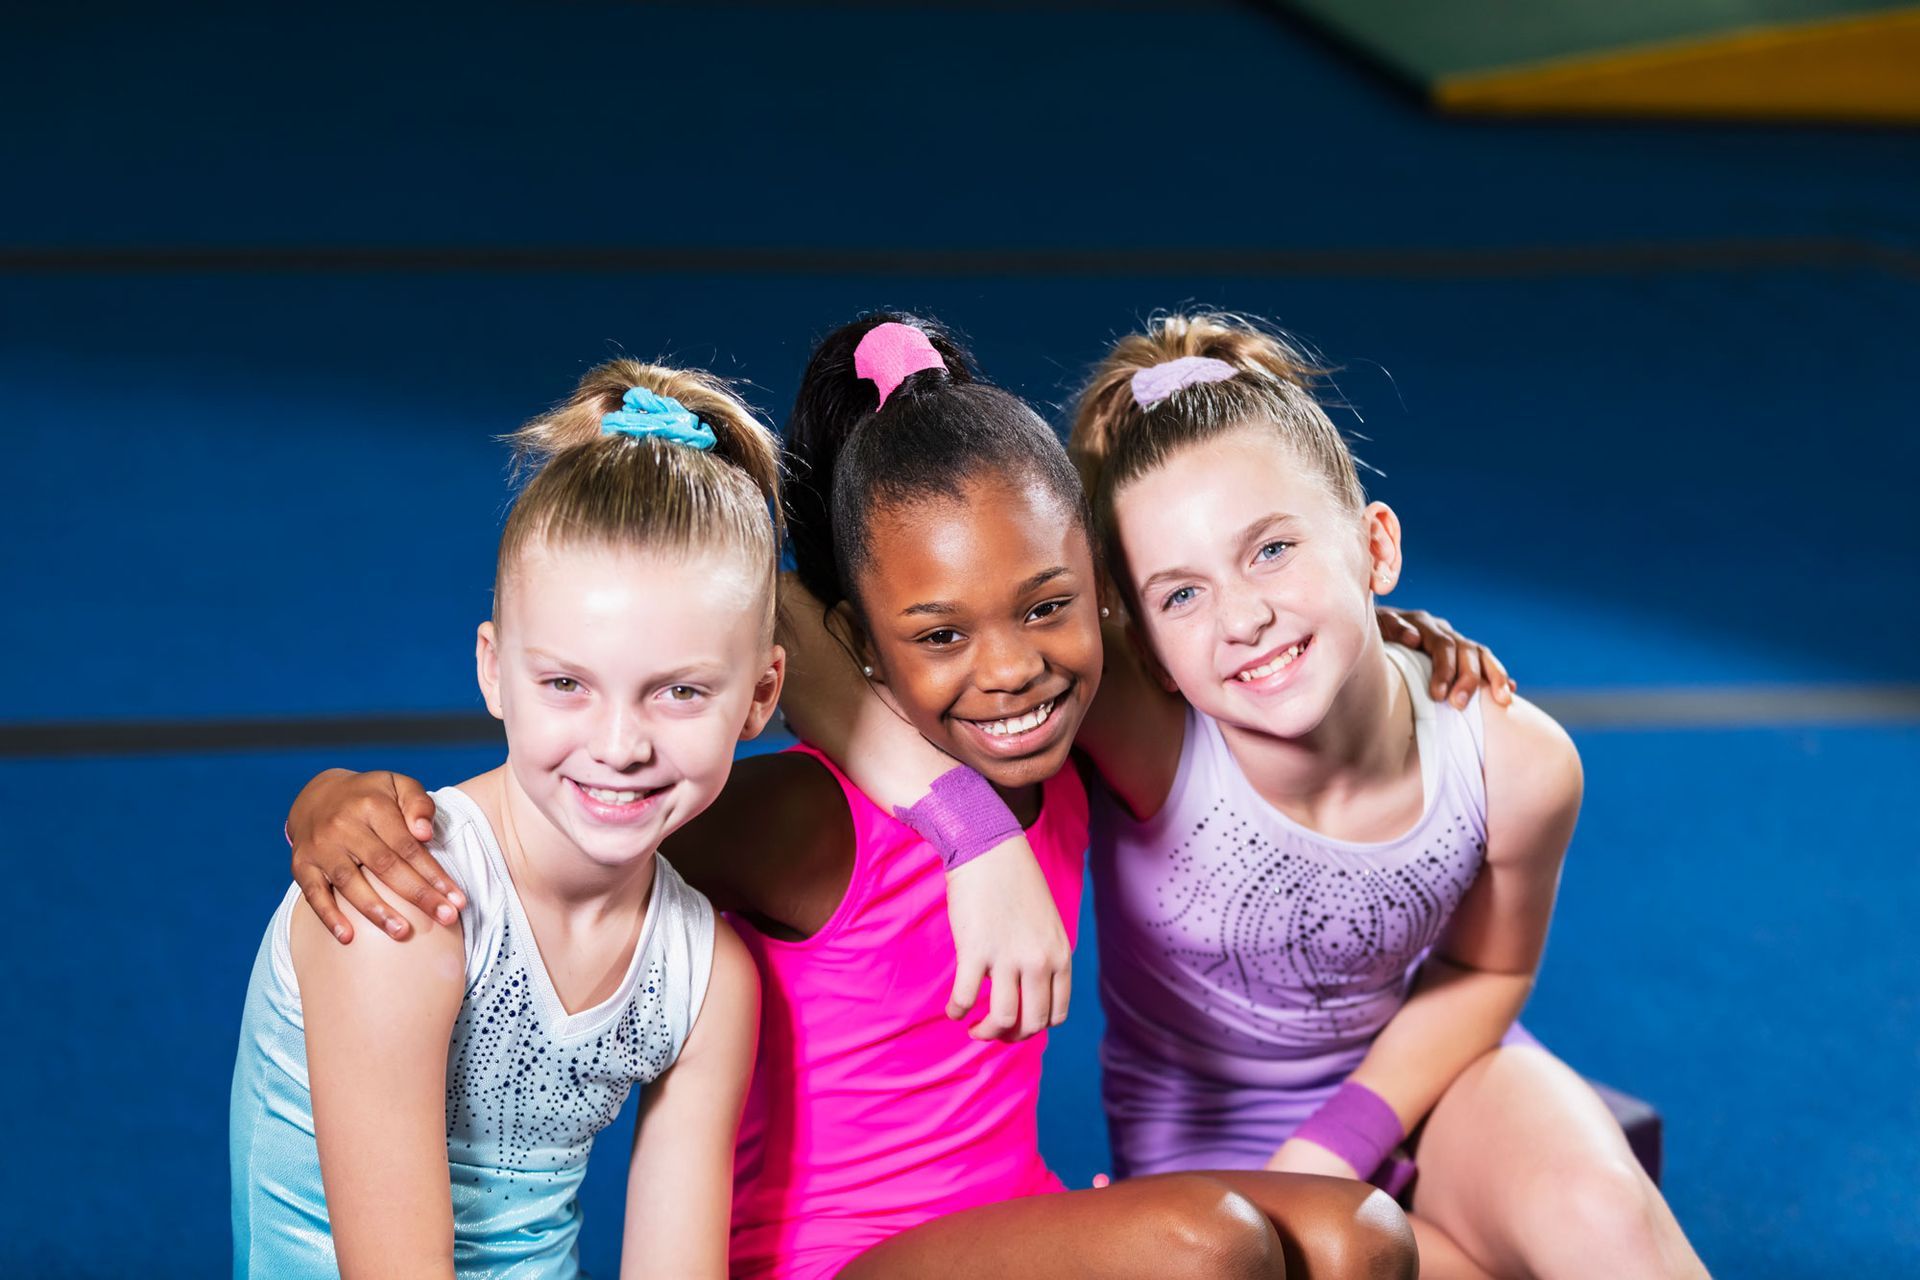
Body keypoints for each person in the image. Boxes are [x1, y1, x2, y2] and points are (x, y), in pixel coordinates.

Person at [283, 315, 1417, 1280]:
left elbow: (1239, 636)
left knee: (1358, 1234)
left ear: (1101, 599)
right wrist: (342, 800)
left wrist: (1399, 633)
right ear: (860, 646)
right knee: (1209, 1247)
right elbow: (576, 811)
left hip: (1007, 1218)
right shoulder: (816, 826)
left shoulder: (1074, 744)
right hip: (835, 1257)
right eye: (937, 633)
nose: (1011, 667)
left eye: (1044, 607)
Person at [1063, 313, 1708, 1279]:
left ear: (1376, 545)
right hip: (1210, 1159)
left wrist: (1336, 1145)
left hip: (1430, 1087)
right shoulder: (1141, 732)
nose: (1243, 616)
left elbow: (1487, 976)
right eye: (1180, 595)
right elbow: (866, 643)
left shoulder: (1514, 763)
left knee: (1602, 1218)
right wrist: (974, 837)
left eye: (1273, 549)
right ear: (1143, 644)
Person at [229, 360, 773, 1278]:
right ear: (493, 671)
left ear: (759, 698)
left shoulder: (707, 981)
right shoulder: (403, 899)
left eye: (679, 692)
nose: (619, 744)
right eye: (566, 684)